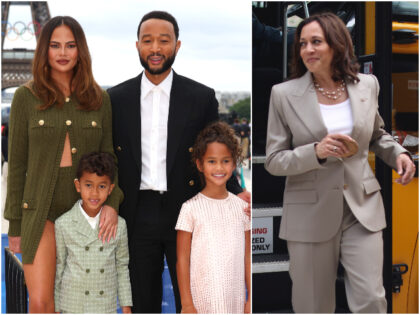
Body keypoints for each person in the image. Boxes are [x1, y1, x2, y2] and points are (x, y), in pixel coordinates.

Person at [264, 12, 416, 313]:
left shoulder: (367, 85)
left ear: (337, 44)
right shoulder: (282, 95)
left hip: (362, 208)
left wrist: (398, 153)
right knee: (313, 305)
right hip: (309, 212)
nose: (307, 49)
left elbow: (377, 135)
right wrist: (316, 152)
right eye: (303, 43)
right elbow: (273, 160)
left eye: (316, 42)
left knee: (372, 299)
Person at [108, 11, 250, 313]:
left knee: (195, 300)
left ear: (178, 45)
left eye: (164, 40)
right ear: (137, 46)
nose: (156, 48)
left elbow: (217, 148)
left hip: (187, 209)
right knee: (142, 303)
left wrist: (237, 190)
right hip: (135, 211)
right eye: (148, 41)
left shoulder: (201, 97)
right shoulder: (116, 98)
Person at [4, 16, 123, 313]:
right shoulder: (24, 97)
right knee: (42, 302)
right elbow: (16, 165)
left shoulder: (100, 99)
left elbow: (109, 157)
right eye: (55, 45)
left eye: (70, 45)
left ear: (80, 50)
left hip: (86, 213)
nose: (62, 52)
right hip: (39, 212)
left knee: (79, 304)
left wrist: (113, 202)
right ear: (44, 50)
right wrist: (15, 226)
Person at [176, 121, 251, 313]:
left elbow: (248, 256)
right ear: (200, 164)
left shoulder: (243, 209)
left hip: (234, 302)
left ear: (234, 163)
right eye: (212, 161)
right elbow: (182, 259)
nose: (219, 168)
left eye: (225, 161)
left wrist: (251, 296)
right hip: (201, 303)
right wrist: (186, 304)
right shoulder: (189, 209)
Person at [54, 152, 132, 313]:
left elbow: (122, 266)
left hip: (105, 305)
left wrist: (126, 306)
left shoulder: (120, 225)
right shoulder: (63, 224)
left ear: (110, 189)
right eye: (88, 185)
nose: (94, 193)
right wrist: (56, 307)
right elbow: (59, 267)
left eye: (101, 186)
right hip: (73, 305)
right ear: (78, 185)